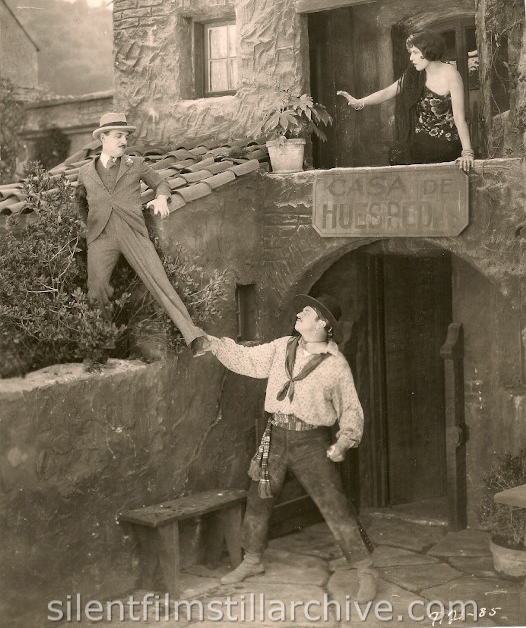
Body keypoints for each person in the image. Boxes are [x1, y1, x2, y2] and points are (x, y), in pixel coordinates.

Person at [203, 293, 378, 602]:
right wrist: (215, 344)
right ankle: (252, 560)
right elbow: (248, 360)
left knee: (333, 503)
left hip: (311, 442)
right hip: (276, 435)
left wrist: (343, 441)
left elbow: (351, 408)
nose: (299, 313)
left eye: (306, 311)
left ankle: (365, 570)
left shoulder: (335, 365)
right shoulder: (283, 346)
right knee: (258, 497)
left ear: (322, 323)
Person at [76, 112, 209, 357]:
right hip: (101, 236)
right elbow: (79, 201)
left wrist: (160, 197)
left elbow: (161, 183)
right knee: (96, 288)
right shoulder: (85, 172)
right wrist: (89, 228)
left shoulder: (135, 164)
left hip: (132, 232)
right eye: (118, 136)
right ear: (103, 137)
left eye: (125, 137)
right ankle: (103, 346)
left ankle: (194, 337)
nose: (124, 141)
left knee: (159, 282)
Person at [337, 30, 475, 171]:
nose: (411, 58)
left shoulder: (451, 74)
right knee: (397, 158)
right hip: (420, 141)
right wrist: (360, 102)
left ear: (428, 50)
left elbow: (459, 117)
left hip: (446, 144)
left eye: (415, 52)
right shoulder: (414, 73)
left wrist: (467, 153)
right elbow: (389, 91)